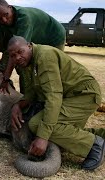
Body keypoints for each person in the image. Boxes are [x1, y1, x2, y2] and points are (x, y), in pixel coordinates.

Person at [8, 36, 104, 170]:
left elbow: (54, 97)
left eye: (20, 52)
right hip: (70, 97)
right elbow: (31, 91)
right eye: (13, 55)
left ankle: (94, 145)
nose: (17, 57)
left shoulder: (44, 56)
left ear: (29, 46)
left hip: (84, 96)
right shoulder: (27, 63)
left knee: (37, 124)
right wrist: (17, 105)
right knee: (59, 128)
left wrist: (42, 137)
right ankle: (100, 134)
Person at [0, 0, 66, 94]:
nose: (4, 20)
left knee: (46, 68)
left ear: (10, 8)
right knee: (17, 66)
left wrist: (6, 78)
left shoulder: (24, 19)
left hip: (52, 37)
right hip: (33, 38)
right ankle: (26, 97)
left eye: (6, 15)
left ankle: (47, 96)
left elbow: (18, 49)